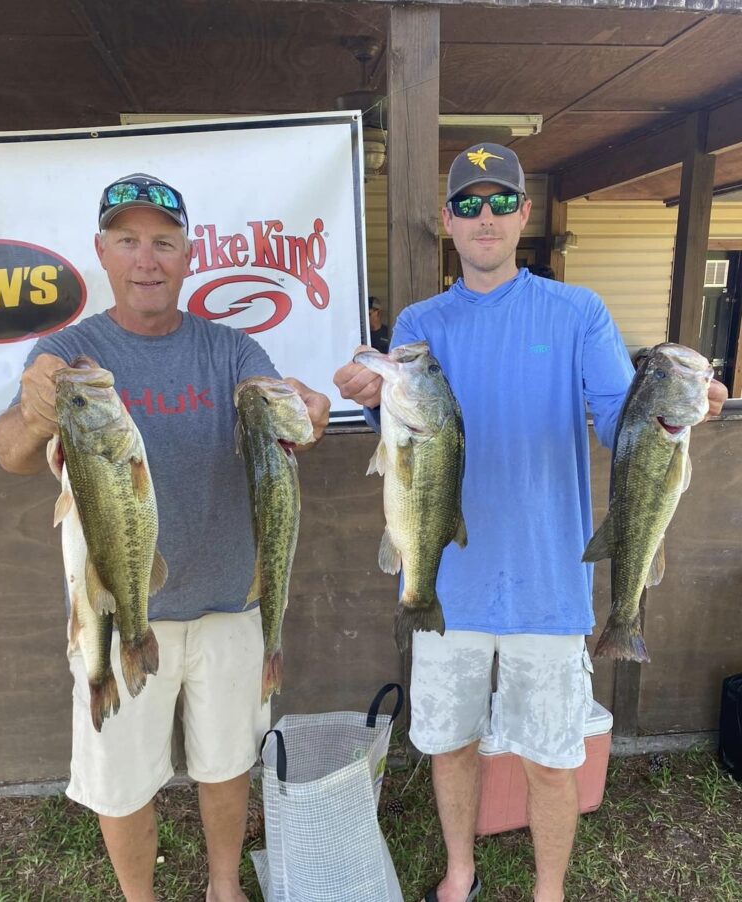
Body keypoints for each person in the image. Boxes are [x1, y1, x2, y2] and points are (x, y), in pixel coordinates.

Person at [333, 143, 728, 902]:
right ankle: (460, 869)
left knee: (553, 755)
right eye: (470, 204)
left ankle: (548, 892)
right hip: (450, 582)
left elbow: (620, 420)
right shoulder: (420, 322)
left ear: (524, 214)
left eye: (502, 202)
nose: (487, 217)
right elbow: (402, 420)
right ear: (448, 220)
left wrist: (676, 411)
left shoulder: (576, 311)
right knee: (450, 745)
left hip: (550, 583)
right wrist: (367, 387)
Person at [0, 172, 330, 902]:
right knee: (121, 783)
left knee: (226, 764)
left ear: (187, 256)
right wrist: (34, 409)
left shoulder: (231, 348)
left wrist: (307, 407)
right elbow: (13, 453)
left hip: (229, 608)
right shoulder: (69, 351)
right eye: (128, 241)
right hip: (116, 615)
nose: (147, 258)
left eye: (164, 243)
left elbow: (284, 416)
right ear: (101, 253)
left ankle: (221, 886)